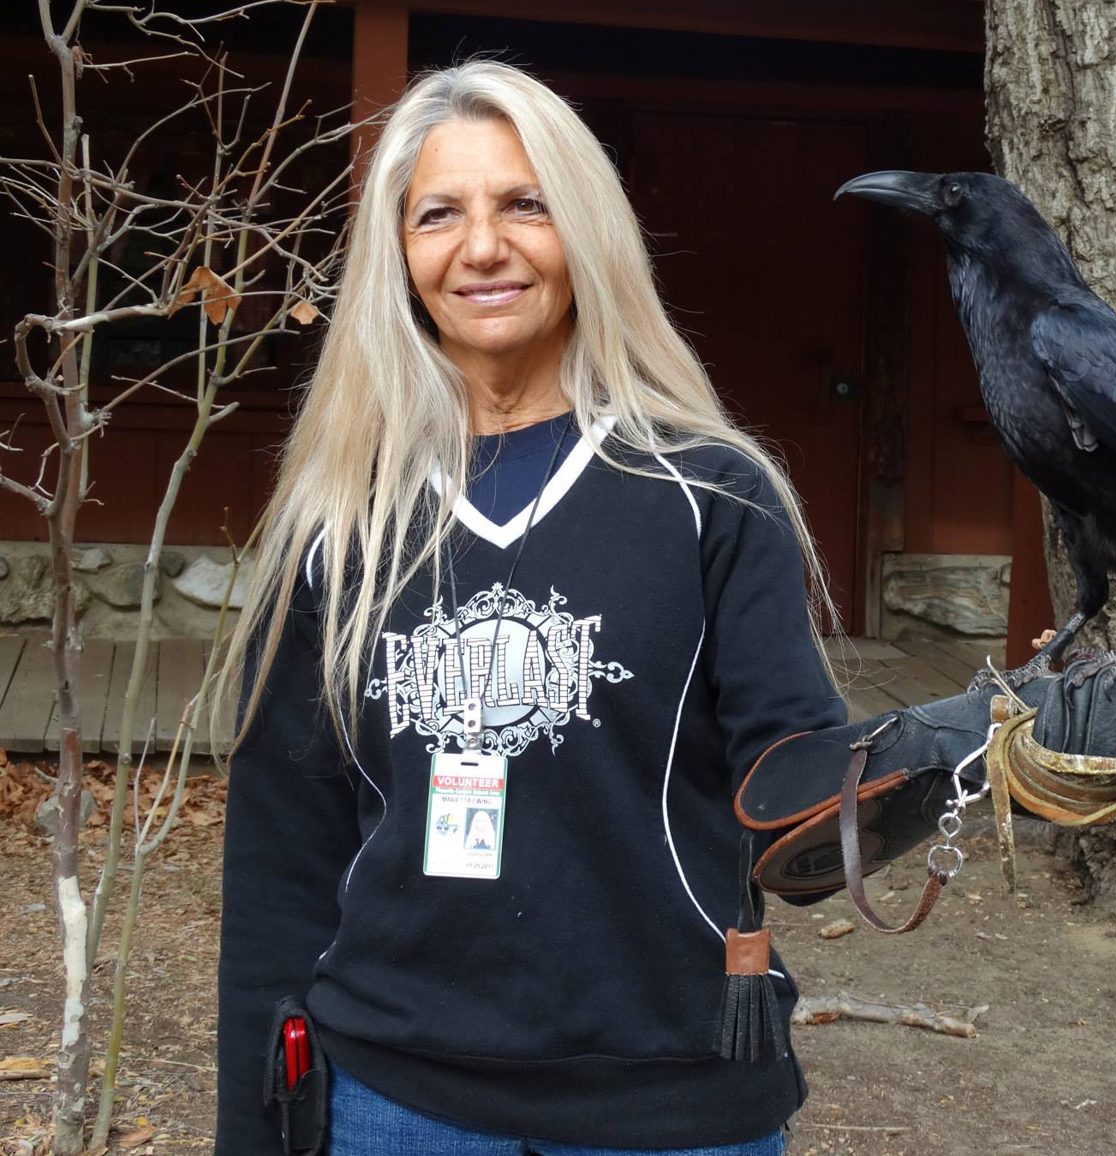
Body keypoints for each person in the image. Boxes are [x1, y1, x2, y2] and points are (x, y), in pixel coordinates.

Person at [214, 59, 845, 1155]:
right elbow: (281, 856)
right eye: (438, 215)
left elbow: (795, 792)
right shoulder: (342, 518)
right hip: (394, 1100)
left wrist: (963, 755)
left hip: (671, 1099)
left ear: (586, 232)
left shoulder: (710, 494)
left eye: (524, 204)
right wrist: (253, 1128)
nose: (482, 247)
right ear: (397, 255)